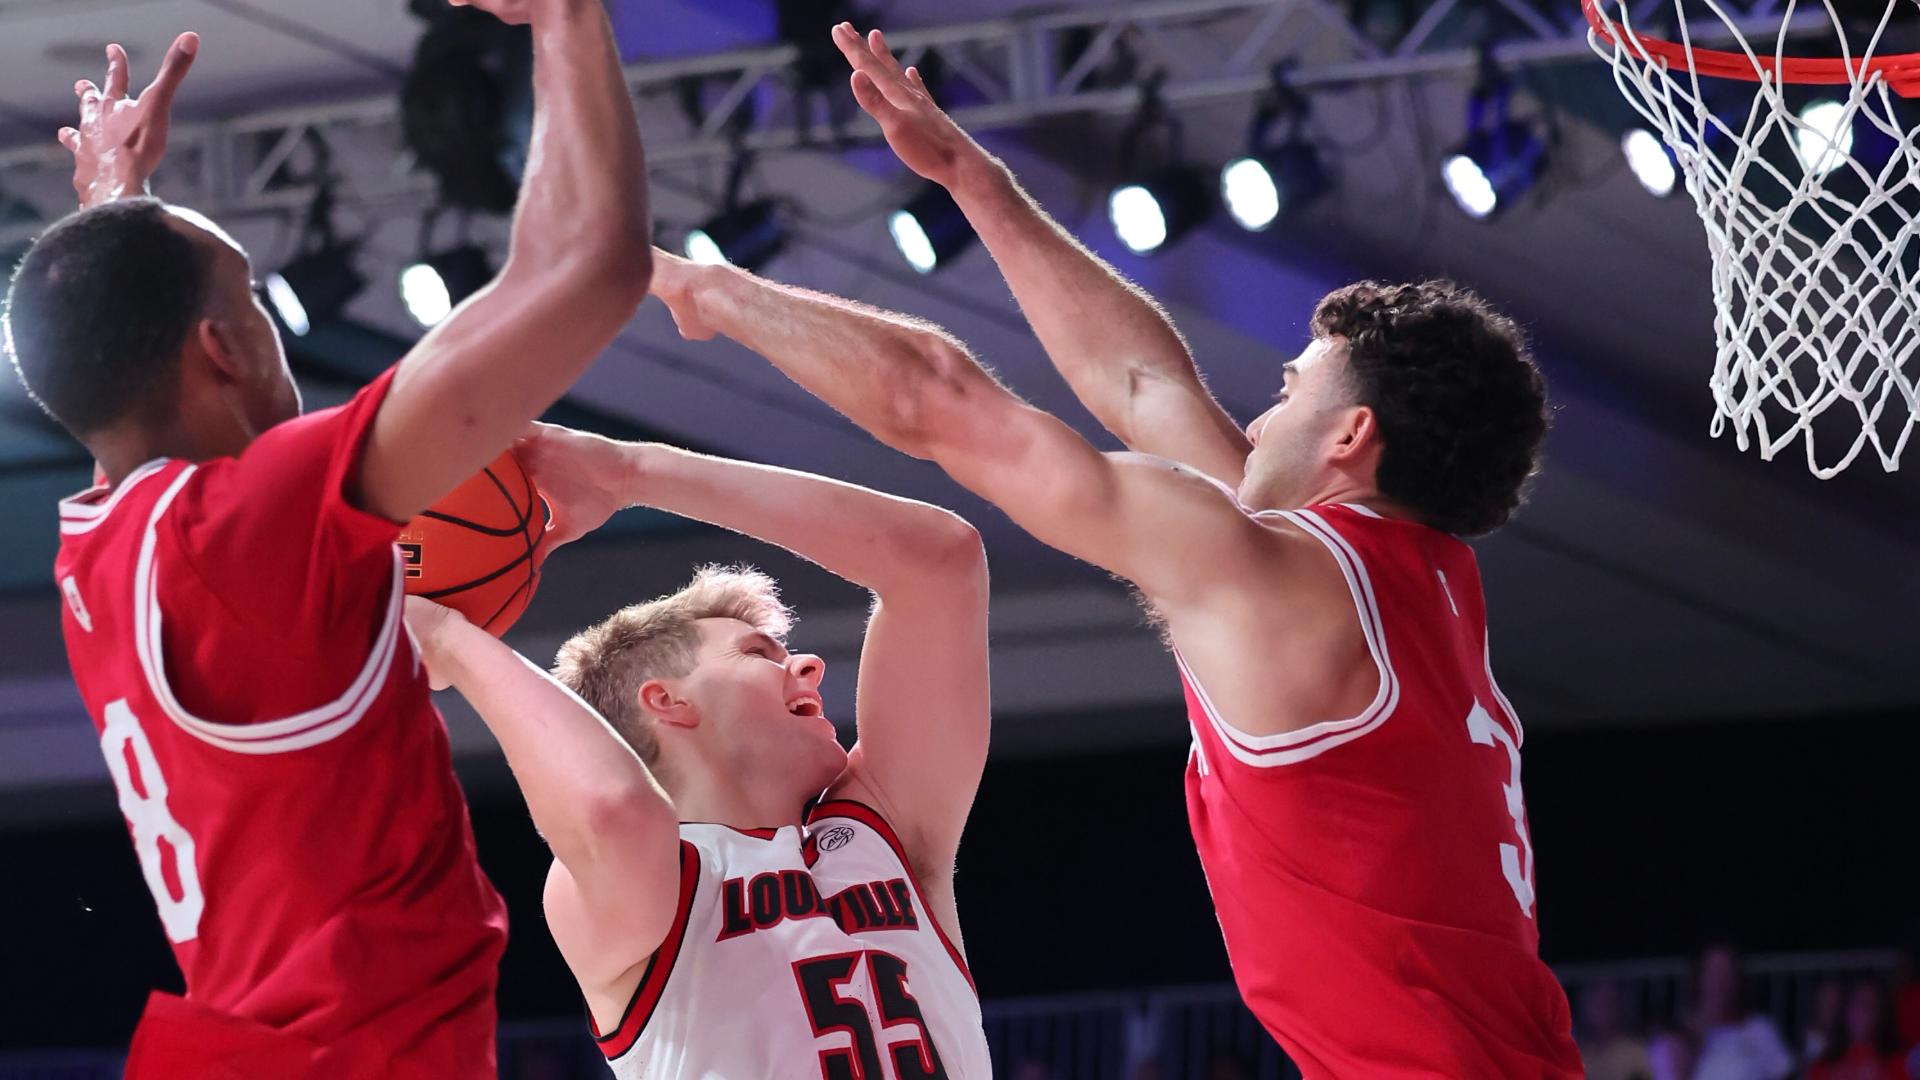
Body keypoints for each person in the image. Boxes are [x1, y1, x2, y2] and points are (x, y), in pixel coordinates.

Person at [639, 22, 1583, 1077]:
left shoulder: (1280, 583)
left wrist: (713, 293)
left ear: (1351, 438)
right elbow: (1145, 389)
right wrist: (971, 177)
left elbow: (941, 405)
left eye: (1286, 395)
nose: (1259, 422)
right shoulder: (1413, 582)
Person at [3, 0, 653, 1072]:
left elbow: (125, 379)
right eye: (253, 301)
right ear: (220, 345)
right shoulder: (258, 524)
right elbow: (592, 268)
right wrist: (565, 18)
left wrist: (119, 212)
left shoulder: (102, 546)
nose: (267, 326)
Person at [418, 423, 993, 1078]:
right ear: (666, 702)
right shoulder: (647, 880)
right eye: (757, 654)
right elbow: (614, 807)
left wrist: (633, 473)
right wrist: (452, 642)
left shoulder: (880, 834)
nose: (807, 665)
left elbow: (941, 559)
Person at [1650, 946, 1793, 1080]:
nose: (1721, 981)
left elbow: (1784, 1073)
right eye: (1714, 972)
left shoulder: (1759, 1030)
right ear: (1698, 978)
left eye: (1727, 973)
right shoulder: (1674, 1038)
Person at [1807, 979, 1909, 1080]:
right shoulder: (1822, 1067)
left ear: (1881, 1014)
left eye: (1869, 1005)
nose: (1861, 1012)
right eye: (1857, 1003)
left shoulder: (1896, 1065)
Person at [1580, 980, 1654, 1080]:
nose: (1602, 1012)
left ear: (1619, 1008)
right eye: (1598, 1004)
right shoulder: (1579, 1053)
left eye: (1608, 1004)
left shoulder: (1635, 1053)